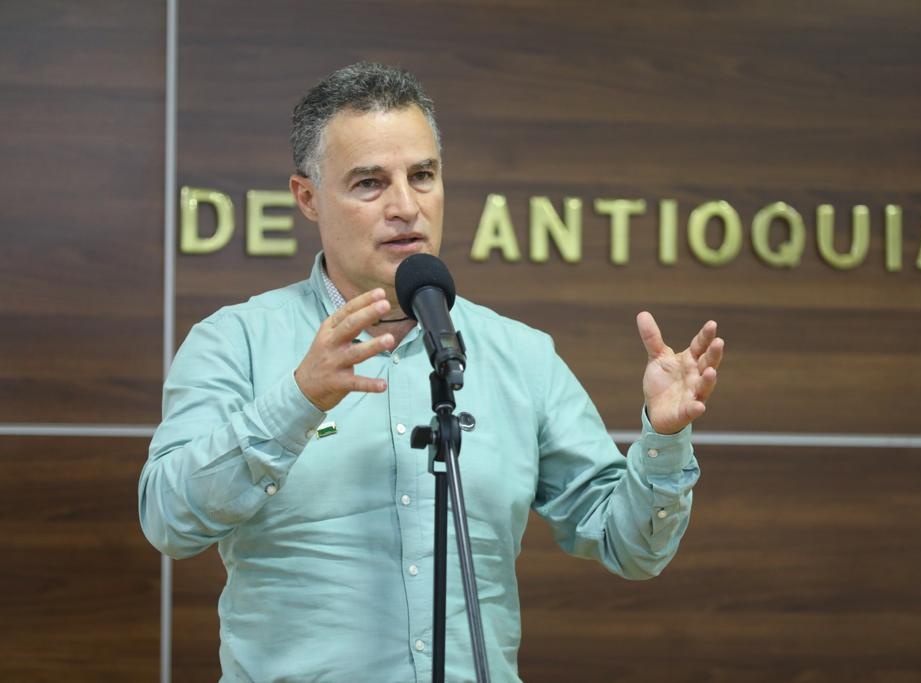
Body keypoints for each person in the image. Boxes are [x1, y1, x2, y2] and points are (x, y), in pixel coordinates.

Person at [139, 62, 724, 683]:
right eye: (370, 183)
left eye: (422, 176)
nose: (405, 207)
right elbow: (169, 521)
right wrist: (298, 401)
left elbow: (629, 547)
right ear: (307, 198)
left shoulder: (520, 355)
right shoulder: (236, 341)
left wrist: (664, 440)